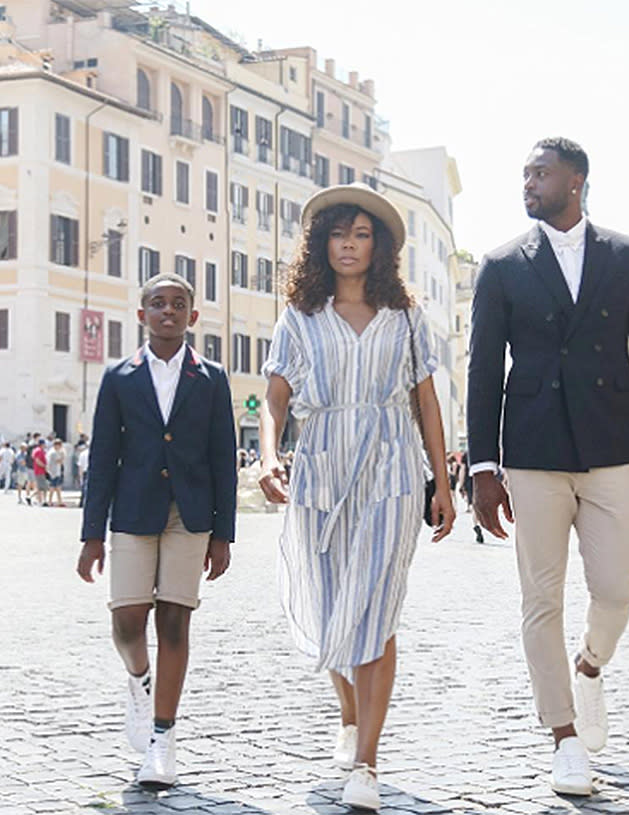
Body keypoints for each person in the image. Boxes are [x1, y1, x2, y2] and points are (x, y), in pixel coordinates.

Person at [467, 138, 629, 796]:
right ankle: (563, 738)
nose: (528, 182)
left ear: (577, 180)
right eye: (525, 173)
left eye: (540, 172)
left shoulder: (628, 255)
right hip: (532, 451)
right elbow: (484, 369)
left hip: (614, 443)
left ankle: (590, 664)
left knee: (617, 587)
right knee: (540, 599)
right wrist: (482, 464)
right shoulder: (501, 264)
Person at [257, 183, 455, 812]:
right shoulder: (299, 318)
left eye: (362, 233)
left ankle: (366, 762)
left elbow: (426, 401)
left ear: (380, 246)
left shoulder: (406, 317)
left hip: (391, 471)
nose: (350, 244)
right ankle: (348, 714)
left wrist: (441, 482)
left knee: (376, 610)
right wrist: (268, 457)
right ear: (322, 244)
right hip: (320, 469)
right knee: (330, 611)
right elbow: (275, 396)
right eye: (340, 233)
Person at [76, 271, 237, 789]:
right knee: (126, 622)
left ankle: (162, 740)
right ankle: (139, 680)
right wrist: (91, 534)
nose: (167, 311)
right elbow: (102, 458)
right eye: (156, 303)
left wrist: (223, 534)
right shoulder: (119, 377)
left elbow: (222, 460)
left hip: (190, 515)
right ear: (141, 314)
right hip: (132, 512)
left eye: (177, 304)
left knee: (174, 624)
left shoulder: (211, 378)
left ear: (193, 317)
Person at [46, 438, 66, 507]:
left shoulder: (55, 452)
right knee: (53, 487)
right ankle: (50, 501)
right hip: (54, 472)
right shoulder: (53, 452)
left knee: (57, 487)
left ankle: (59, 501)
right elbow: (58, 461)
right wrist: (63, 456)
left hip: (56, 471)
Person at [31, 439, 49, 506]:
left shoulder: (37, 450)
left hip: (39, 471)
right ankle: (42, 501)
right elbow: (37, 460)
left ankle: (39, 500)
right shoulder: (39, 451)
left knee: (41, 487)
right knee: (43, 487)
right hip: (40, 471)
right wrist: (44, 466)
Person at [77, 439, 90, 509]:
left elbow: (80, 466)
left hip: (85, 472)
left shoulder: (82, 454)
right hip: (90, 471)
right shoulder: (94, 453)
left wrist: (80, 476)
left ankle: (82, 503)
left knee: (84, 488)